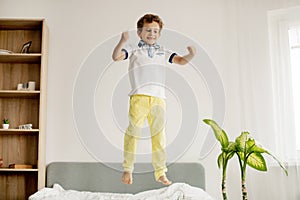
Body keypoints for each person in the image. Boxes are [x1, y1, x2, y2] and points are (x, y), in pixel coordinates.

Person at [112, 13, 196, 185]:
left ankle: (160, 172)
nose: (152, 34)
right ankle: (128, 169)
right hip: (139, 98)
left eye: (155, 31)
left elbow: (180, 61)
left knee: (159, 137)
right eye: (148, 30)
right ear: (140, 32)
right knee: (133, 133)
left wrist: (190, 55)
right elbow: (116, 57)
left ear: (159, 34)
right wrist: (121, 41)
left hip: (159, 99)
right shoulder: (134, 50)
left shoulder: (162, 51)